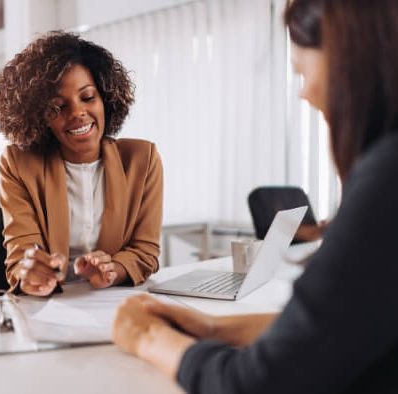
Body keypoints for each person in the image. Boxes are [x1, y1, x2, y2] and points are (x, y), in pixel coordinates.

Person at [112, 0, 398, 392]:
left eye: (301, 72)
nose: (305, 93)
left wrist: (148, 338)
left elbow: (261, 383)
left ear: (351, 59)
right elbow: (342, 329)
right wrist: (212, 327)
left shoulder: (387, 176)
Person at [0, 31, 163, 296]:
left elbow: (145, 251)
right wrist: (32, 273)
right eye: (58, 107)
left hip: (112, 302)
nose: (77, 113)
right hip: (46, 308)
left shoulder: (142, 159)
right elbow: (21, 255)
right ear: (40, 117)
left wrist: (112, 271)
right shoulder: (18, 163)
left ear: (105, 98)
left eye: (88, 97)